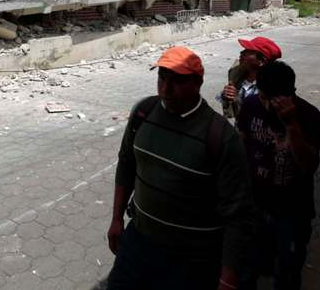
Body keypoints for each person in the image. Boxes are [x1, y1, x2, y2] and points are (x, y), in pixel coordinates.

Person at [107, 46, 256, 290]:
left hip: (191, 259)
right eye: (162, 79)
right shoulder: (144, 112)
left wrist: (228, 278)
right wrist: (116, 219)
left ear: (198, 83)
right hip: (138, 242)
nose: (166, 89)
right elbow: (126, 165)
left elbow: (238, 215)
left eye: (177, 81)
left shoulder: (220, 136)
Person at [238, 61, 320, 290]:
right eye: (264, 98)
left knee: (287, 271)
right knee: (248, 267)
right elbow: (242, 143)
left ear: (290, 94)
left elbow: (309, 166)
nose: (267, 106)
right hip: (255, 205)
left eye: (274, 100)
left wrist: (292, 125)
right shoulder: (250, 105)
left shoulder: (308, 115)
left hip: (292, 210)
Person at [220, 36, 282, 120]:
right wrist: (226, 97)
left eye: (248, 51)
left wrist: (237, 99)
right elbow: (230, 112)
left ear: (261, 61)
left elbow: (266, 116)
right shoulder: (236, 73)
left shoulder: (273, 86)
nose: (242, 52)